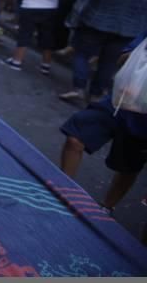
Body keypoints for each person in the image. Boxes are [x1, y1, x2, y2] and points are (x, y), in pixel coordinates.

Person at [59, 31, 147, 212]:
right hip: (119, 102)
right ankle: (63, 191)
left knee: (128, 165)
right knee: (76, 136)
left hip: (143, 122)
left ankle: (107, 207)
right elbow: (121, 60)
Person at [60, 0, 147, 103]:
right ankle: (97, 92)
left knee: (82, 54)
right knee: (109, 61)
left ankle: (79, 87)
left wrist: (74, 19)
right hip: (127, 29)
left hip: (95, 22)